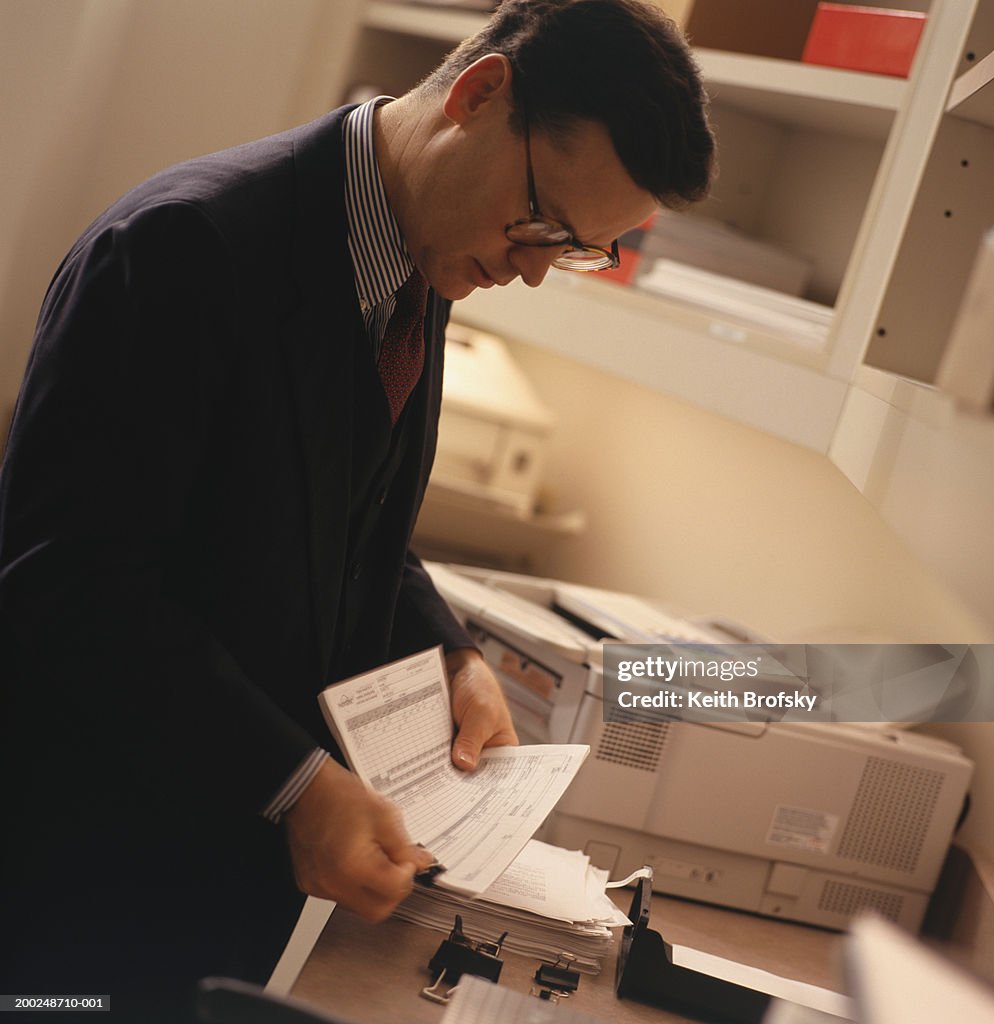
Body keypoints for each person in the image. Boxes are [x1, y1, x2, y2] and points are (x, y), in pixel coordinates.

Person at [0, 0, 714, 1017]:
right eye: (541, 223)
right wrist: (295, 782)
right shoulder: (182, 249)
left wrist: (449, 652)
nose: (533, 268)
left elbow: (331, 509)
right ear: (478, 94)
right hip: (81, 882)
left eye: (579, 249)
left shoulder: (416, 263)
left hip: (222, 898)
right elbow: (67, 584)